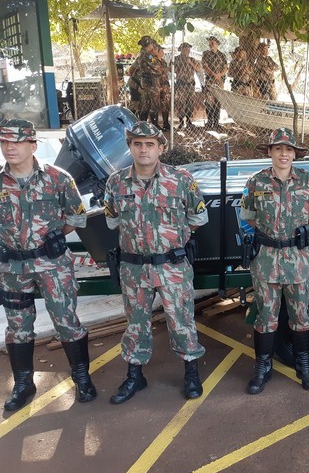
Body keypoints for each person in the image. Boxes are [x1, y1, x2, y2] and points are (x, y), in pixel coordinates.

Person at [104, 121, 209, 404]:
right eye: (137, 144)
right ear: (130, 147)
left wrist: (172, 239)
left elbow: (198, 218)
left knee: (181, 320)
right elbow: (113, 220)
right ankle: (134, 376)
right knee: (135, 323)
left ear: (161, 148)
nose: (143, 149)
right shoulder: (116, 182)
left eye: (150, 144)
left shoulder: (181, 179)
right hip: (134, 267)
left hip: (171, 266)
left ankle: (191, 373)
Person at [0, 119, 96, 411]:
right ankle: (23, 383)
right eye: (4, 142)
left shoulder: (58, 178)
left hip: (52, 265)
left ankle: (82, 377)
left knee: (66, 321)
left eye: (17, 142)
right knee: (18, 327)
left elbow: (76, 217)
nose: (10, 148)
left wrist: (50, 240)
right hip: (12, 268)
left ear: (33, 145)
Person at [239, 128, 309, 394]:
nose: (284, 154)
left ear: (295, 154)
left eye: (289, 149)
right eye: (278, 148)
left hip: (298, 259)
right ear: (270, 152)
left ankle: (304, 365)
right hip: (266, 258)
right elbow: (249, 216)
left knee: (301, 315)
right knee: (266, 316)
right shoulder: (256, 182)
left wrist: (295, 235)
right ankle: (262, 367)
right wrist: (273, 236)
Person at [201, 35, 228, 130]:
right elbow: (205, 66)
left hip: (219, 81)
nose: (211, 44)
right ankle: (210, 121)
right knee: (209, 102)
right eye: (210, 43)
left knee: (218, 102)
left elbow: (226, 68)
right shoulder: (206, 54)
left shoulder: (222, 55)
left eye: (213, 43)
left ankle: (216, 122)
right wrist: (213, 74)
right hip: (210, 81)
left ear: (217, 44)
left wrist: (219, 75)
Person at [173, 42, 200, 130]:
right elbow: (170, 69)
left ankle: (189, 121)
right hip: (181, 85)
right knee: (181, 103)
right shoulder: (176, 59)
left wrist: (190, 63)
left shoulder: (192, 59)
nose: (187, 51)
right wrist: (179, 67)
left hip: (190, 85)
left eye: (188, 49)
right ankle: (181, 121)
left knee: (190, 103)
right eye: (185, 49)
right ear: (181, 50)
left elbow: (198, 70)